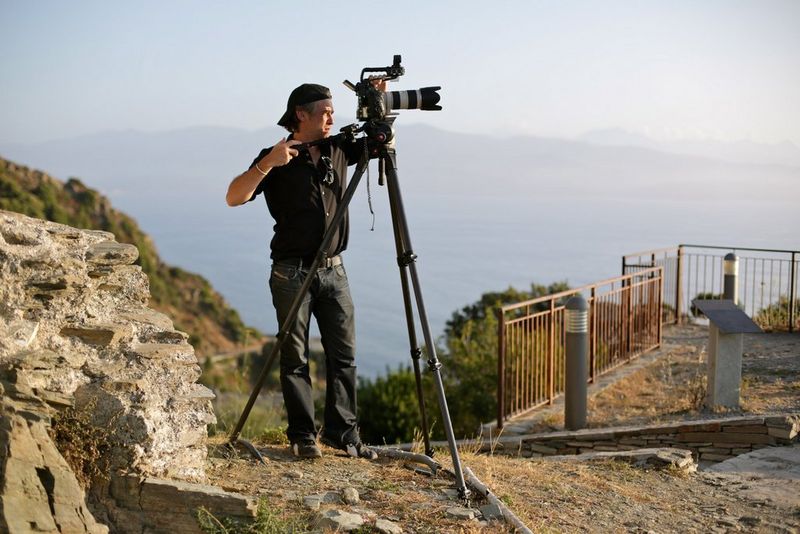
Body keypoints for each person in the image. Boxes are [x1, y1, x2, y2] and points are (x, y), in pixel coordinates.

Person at [225, 83, 378, 460]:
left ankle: (342, 433)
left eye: (332, 110)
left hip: (335, 272)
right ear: (300, 114)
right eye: (324, 110)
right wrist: (266, 165)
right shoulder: (277, 156)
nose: (331, 116)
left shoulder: (340, 147)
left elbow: (379, 138)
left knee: (344, 356)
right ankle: (303, 435)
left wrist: (377, 100)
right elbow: (234, 196)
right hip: (291, 272)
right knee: (294, 357)